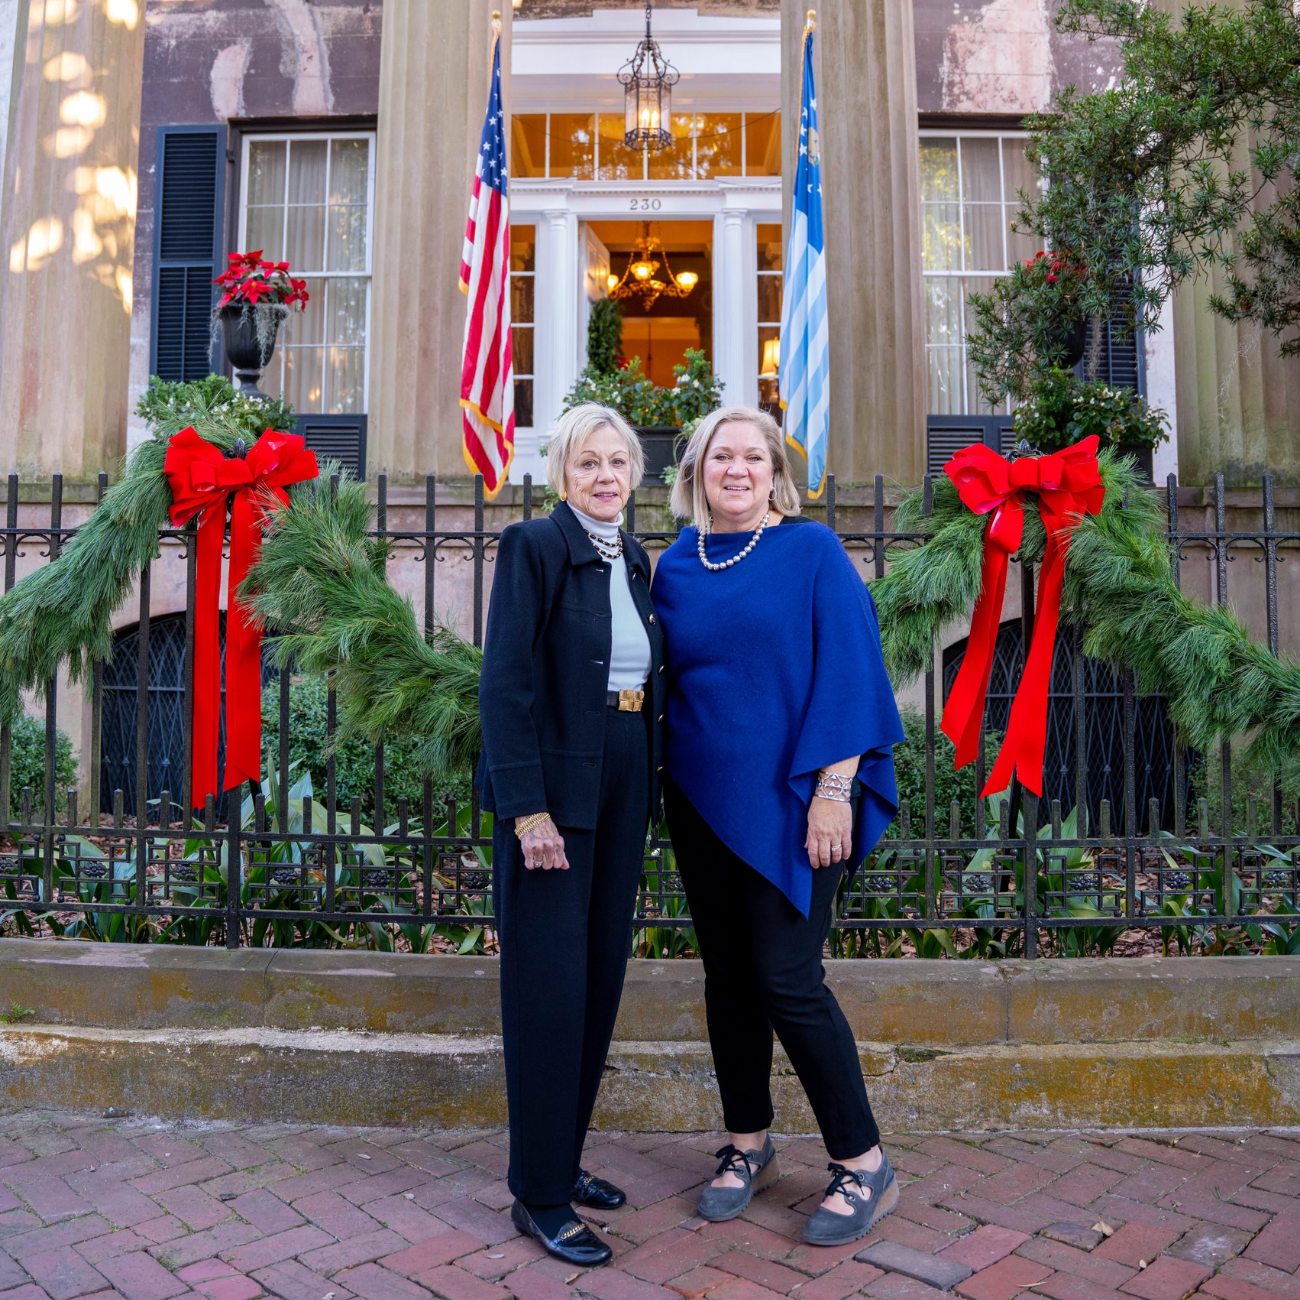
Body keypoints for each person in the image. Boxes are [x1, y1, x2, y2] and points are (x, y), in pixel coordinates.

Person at [650, 406, 904, 1248]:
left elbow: (852, 671)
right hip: (700, 800)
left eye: (751, 457)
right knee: (728, 979)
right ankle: (747, 1143)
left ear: (774, 473)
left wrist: (836, 788)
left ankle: (864, 1160)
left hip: (797, 804)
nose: (736, 468)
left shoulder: (812, 552)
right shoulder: (675, 567)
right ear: (695, 473)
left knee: (788, 977)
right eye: (720, 456)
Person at [476, 403, 665, 1267]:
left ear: (635, 474)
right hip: (556, 785)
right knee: (550, 990)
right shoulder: (536, 547)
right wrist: (528, 809)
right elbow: (505, 684)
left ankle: (565, 1157)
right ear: (562, 474)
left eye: (618, 463)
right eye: (588, 463)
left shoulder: (632, 556)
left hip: (622, 770)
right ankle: (539, 1194)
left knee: (597, 979)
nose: (605, 477)